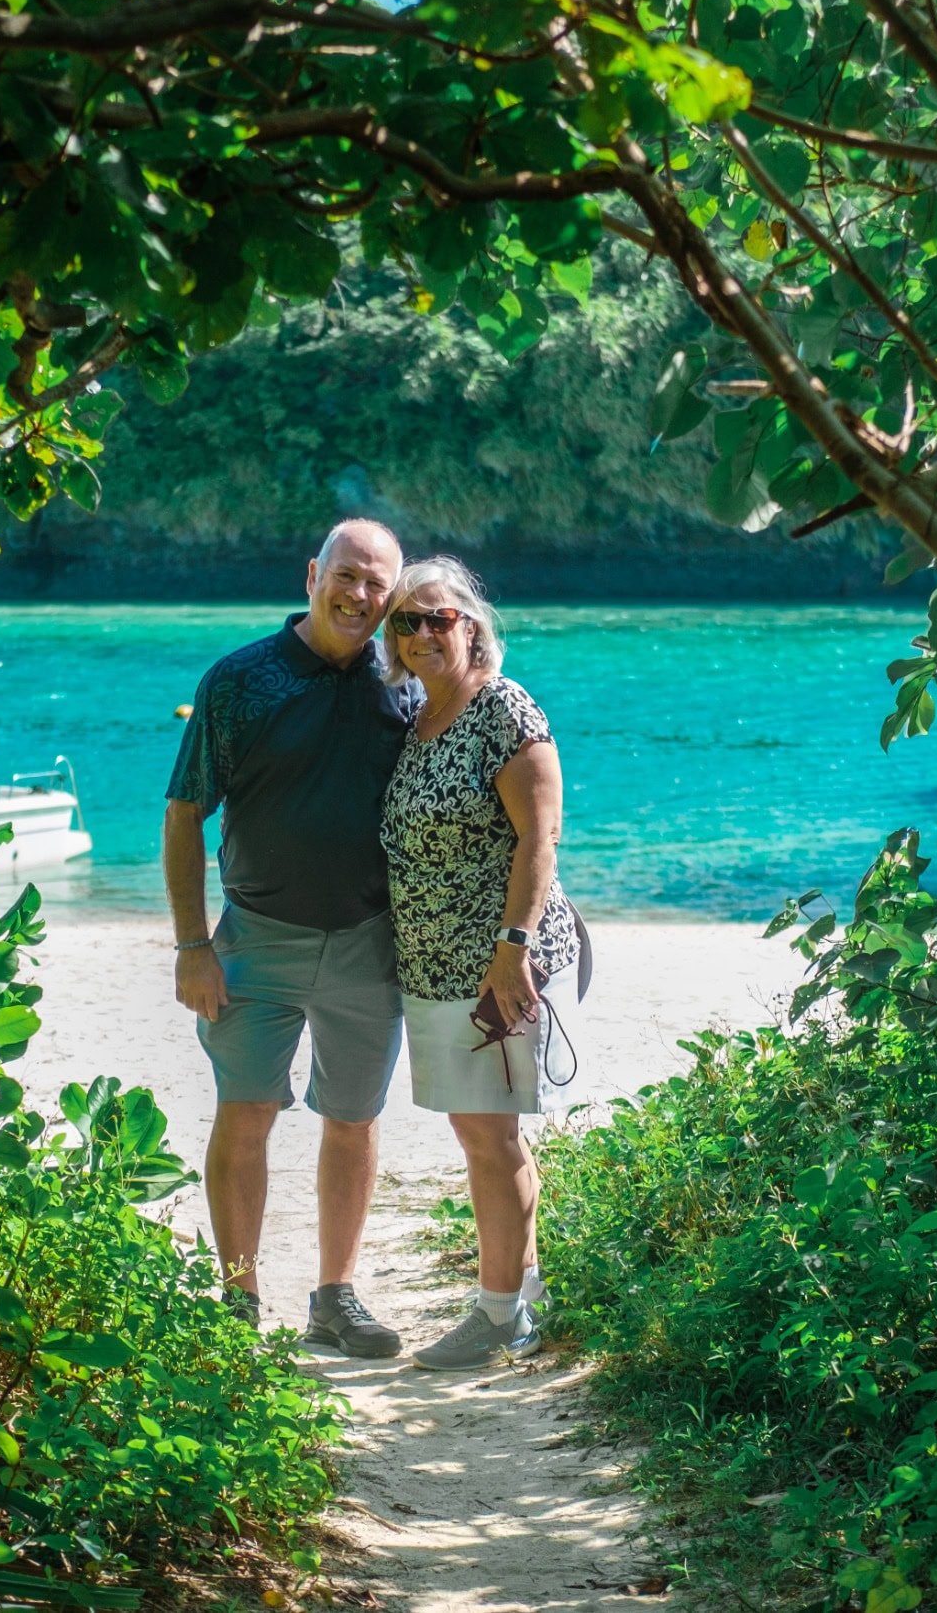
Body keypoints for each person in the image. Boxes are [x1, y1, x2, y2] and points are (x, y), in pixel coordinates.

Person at [163, 519, 417, 1357]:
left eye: (380, 585)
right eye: (347, 576)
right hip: (254, 942)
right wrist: (193, 945)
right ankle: (237, 1301)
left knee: (353, 1117)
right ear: (313, 573)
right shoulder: (243, 680)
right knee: (245, 1115)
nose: (360, 596)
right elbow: (184, 814)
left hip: (370, 942)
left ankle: (334, 1300)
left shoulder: (406, 683)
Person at [379, 556, 583, 1371]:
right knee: (480, 1132)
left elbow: (542, 836)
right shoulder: (418, 715)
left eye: (438, 618)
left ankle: (499, 1313)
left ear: (471, 624)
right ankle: (521, 1296)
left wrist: (513, 953)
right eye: (405, 622)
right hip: (433, 964)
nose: (422, 633)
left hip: (496, 964)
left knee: (489, 1137)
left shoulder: (503, 708)